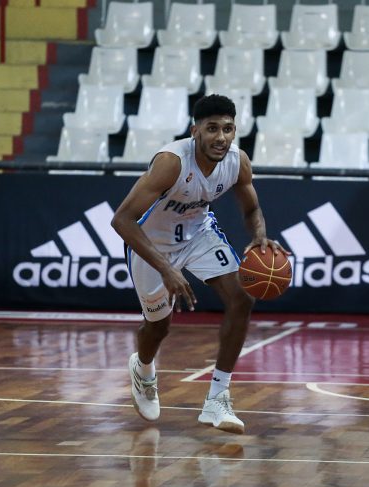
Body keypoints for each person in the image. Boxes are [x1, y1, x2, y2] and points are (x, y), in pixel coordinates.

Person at [111, 94, 287, 434]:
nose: (221, 137)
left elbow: (251, 208)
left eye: (228, 129)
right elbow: (123, 220)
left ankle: (217, 399)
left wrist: (259, 236)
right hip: (152, 243)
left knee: (241, 298)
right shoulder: (171, 162)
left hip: (198, 235)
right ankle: (143, 368)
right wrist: (166, 268)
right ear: (196, 131)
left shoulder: (237, 162)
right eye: (212, 129)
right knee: (158, 327)